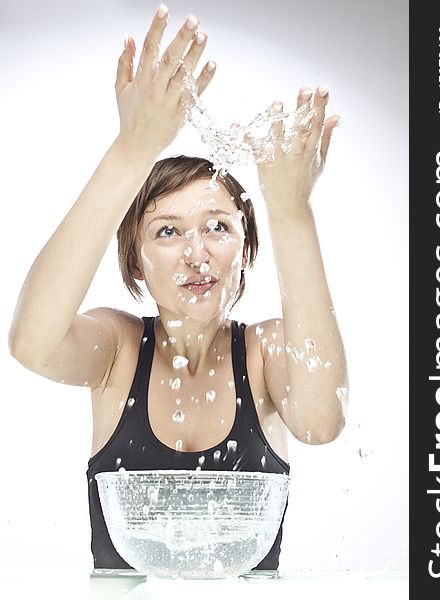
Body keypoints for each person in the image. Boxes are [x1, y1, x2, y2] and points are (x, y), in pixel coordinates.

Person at [8, 6, 348, 571]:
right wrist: (133, 147)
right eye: (168, 232)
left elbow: (321, 421)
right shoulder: (117, 350)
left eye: (219, 227)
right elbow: (32, 343)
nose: (198, 254)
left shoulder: (265, 353)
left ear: (246, 251)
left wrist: (290, 209)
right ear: (136, 262)